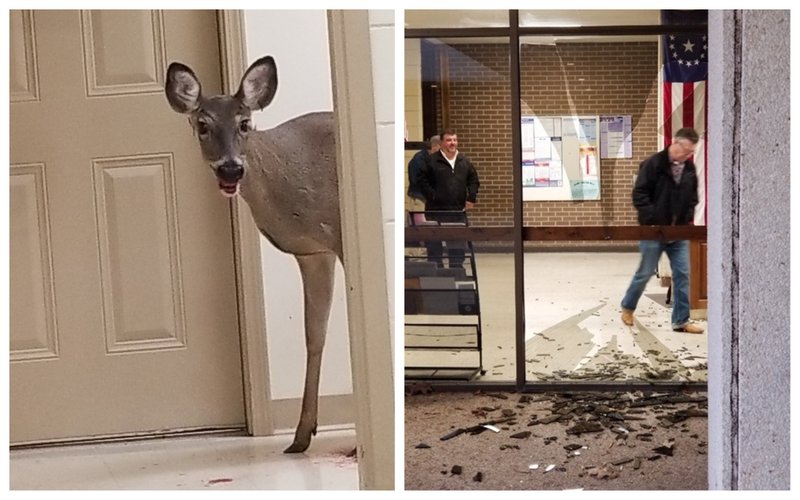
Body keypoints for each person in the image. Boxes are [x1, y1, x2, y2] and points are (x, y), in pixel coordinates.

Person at [620, 127, 704, 334]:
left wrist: (686, 220)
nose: (686, 154)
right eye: (684, 149)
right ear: (674, 142)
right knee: (645, 271)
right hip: (653, 231)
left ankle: (681, 321)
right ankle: (628, 307)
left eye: (690, 151)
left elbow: (693, 197)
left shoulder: (689, 168)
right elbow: (639, 194)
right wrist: (652, 219)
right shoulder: (654, 164)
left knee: (683, 274)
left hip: (679, 232)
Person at [417, 129, 480, 268]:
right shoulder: (431, 161)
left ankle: (456, 268)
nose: (452, 143)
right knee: (434, 242)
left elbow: (474, 180)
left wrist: (471, 198)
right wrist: (432, 196)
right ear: (441, 143)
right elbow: (421, 180)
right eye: (449, 140)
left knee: (457, 242)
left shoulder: (464, 161)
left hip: (457, 211)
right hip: (435, 210)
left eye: (454, 140)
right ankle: (436, 268)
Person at [406, 135, 441, 213]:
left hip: (424, 196)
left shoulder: (429, 158)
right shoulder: (419, 159)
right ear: (435, 146)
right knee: (418, 222)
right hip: (418, 196)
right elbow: (416, 179)